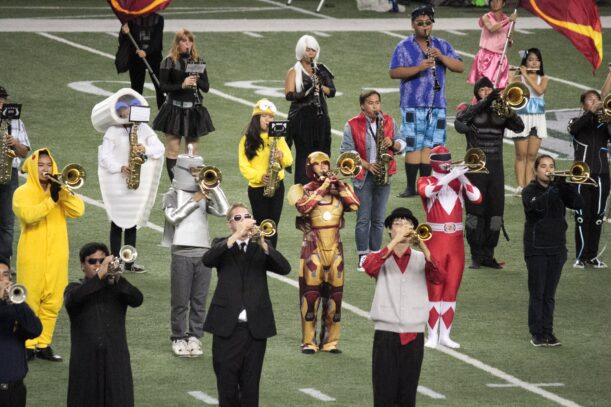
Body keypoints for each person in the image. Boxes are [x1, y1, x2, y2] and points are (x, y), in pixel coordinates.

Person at [203, 203, 291, 407]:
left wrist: (264, 244)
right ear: (230, 225)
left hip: (255, 329)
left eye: (247, 216)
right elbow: (207, 260)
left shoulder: (259, 247)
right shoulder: (222, 244)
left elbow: (285, 268)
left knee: (251, 388)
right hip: (227, 329)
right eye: (238, 218)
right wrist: (236, 237)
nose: (244, 220)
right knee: (227, 386)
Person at [363, 207, 444, 407]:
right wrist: (393, 244)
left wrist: (424, 247)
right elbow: (369, 267)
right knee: (383, 395)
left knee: (408, 396)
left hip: (414, 334)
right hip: (385, 334)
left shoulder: (421, 258)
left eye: (407, 224)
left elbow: (439, 277)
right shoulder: (381, 256)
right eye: (397, 224)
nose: (403, 228)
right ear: (390, 230)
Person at [13, 148, 85, 361]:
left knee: (53, 302)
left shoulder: (59, 190)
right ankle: (27, 345)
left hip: (57, 255)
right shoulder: (22, 193)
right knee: (30, 301)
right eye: (41, 165)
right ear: (34, 168)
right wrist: (50, 201)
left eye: (48, 165)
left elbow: (78, 210)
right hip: (31, 256)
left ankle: (44, 344)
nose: (45, 169)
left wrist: (62, 193)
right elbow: (29, 216)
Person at [287, 152, 360, 353]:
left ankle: (330, 342)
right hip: (312, 250)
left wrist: (340, 186)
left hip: (336, 250)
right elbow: (303, 208)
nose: (323, 167)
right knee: (310, 298)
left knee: (335, 298)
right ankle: (309, 342)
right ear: (309, 168)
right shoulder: (299, 189)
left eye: (325, 163)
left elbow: (354, 204)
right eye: (318, 164)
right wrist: (324, 187)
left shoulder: (341, 189)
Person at [389, 4, 464, 198]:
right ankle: (410, 187)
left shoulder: (442, 44)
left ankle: (425, 184)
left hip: (437, 103)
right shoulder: (403, 46)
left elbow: (459, 67)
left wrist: (442, 57)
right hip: (412, 102)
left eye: (428, 23)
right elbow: (394, 72)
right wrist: (418, 68)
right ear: (413, 25)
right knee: (414, 144)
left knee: (430, 144)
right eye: (420, 23)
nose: (424, 27)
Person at [162, 149, 229, 357]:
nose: (196, 175)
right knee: (181, 300)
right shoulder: (171, 195)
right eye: (193, 171)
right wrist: (195, 200)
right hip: (182, 253)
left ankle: (194, 337)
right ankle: (178, 337)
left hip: (203, 253)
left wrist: (214, 187)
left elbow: (224, 210)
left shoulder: (203, 193)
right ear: (181, 170)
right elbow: (173, 218)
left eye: (199, 171)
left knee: (199, 300)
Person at [454, 76, 524, 269]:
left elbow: (520, 127)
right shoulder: (469, 110)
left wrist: (509, 112)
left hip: (496, 168)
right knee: (475, 213)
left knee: (495, 213)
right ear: (477, 93)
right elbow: (460, 122)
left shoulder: (500, 111)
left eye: (489, 90)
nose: (486, 92)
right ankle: (476, 256)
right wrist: (484, 102)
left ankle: (488, 255)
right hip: (475, 169)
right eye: (482, 90)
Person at [416, 146, 481, 348]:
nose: (446, 162)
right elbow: (427, 191)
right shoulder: (425, 179)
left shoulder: (457, 182)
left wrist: (461, 177)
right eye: (442, 159)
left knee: (452, 289)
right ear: (434, 161)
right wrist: (449, 176)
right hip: (435, 241)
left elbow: (477, 198)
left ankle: (445, 335)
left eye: (448, 159)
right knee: (435, 290)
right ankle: (432, 335)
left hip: (456, 243)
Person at [65, 242, 143, 407]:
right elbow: (76, 299)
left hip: (116, 360)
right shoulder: (73, 288)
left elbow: (137, 299)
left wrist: (119, 280)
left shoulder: (116, 287)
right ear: (82, 266)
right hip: (85, 361)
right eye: (92, 261)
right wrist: (100, 276)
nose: (98, 265)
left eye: (102, 261)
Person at [97, 91, 165, 273]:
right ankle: (114, 261)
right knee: (117, 221)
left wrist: (146, 148)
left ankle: (129, 261)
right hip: (117, 181)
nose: (128, 115)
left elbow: (159, 148)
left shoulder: (143, 129)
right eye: (125, 111)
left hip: (136, 182)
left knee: (132, 221)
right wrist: (120, 167)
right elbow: (104, 156)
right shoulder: (113, 130)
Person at [340, 90, 405, 271]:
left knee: (378, 218)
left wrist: (392, 143)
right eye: (371, 103)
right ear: (363, 105)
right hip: (363, 176)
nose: (375, 106)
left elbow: (403, 144)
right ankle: (363, 256)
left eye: (377, 102)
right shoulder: (352, 124)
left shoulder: (389, 121)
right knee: (363, 218)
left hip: (384, 174)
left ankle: (376, 255)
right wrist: (368, 165)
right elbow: (347, 151)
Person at [522, 155, 583, 346]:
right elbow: (536, 208)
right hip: (537, 249)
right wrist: (553, 189)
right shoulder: (529, 190)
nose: (548, 170)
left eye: (551, 166)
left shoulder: (559, 188)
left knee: (549, 294)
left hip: (557, 249)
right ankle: (537, 333)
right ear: (536, 170)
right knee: (537, 293)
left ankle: (548, 332)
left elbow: (578, 203)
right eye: (544, 166)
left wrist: (566, 185)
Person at [153, 28, 214, 181]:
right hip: (174, 109)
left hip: (193, 110)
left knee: (191, 150)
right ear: (177, 43)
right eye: (184, 41)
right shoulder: (168, 61)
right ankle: (176, 184)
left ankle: (188, 182)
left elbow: (206, 87)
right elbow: (163, 87)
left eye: (190, 40)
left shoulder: (198, 61)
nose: (188, 44)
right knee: (173, 149)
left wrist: (196, 79)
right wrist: (182, 84)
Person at [238, 99, 293, 248]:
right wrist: (259, 177)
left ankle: (271, 255)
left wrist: (282, 157)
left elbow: (289, 160)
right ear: (257, 118)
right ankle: (260, 253)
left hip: (277, 186)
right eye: (264, 116)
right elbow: (244, 166)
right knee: (262, 225)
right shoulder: (246, 139)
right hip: (257, 189)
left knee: (273, 225)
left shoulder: (277, 136)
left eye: (271, 117)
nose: (269, 120)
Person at [285, 34, 336, 186]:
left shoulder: (321, 70)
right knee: (304, 155)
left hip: (320, 117)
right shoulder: (294, 71)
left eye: (313, 50)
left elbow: (332, 91)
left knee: (322, 153)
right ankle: (303, 190)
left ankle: (322, 187)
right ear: (301, 51)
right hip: (301, 118)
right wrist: (307, 91)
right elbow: (289, 94)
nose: (311, 54)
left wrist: (320, 87)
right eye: (308, 50)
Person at [567, 90, 611, 268]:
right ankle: (580, 256)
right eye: (589, 100)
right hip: (582, 176)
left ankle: (592, 256)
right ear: (583, 105)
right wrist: (592, 113)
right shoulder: (576, 122)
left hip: (602, 175)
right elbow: (574, 130)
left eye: (597, 99)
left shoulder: (606, 122)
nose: (594, 102)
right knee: (581, 217)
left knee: (598, 217)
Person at [506, 48, 549, 193]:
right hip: (521, 118)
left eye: (537, 60)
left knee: (532, 156)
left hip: (537, 119)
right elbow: (508, 93)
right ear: (525, 62)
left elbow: (539, 90)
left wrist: (526, 74)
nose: (534, 62)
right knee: (521, 155)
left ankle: (529, 187)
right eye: (530, 60)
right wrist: (511, 77)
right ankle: (520, 186)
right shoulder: (520, 78)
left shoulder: (544, 78)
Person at [0, 257, 42, 407]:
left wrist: (18, 302)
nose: (3, 280)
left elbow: (35, 330)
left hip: (14, 388)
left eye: (5, 275)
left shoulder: (16, 308)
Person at [0, 86, 31, 262]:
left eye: (3, 99)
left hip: (8, 172)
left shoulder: (16, 122)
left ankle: (4, 263)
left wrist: (15, 143)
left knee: (6, 223)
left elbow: (24, 151)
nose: (1, 103)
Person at [467, 0, 517, 90]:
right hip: (486, 56)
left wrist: (510, 41)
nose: (494, 3)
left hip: (501, 57)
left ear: (503, 3)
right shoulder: (486, 17)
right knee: (483, 88)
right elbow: (491, 28)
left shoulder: (508, 19)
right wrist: (508, 20)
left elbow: (510, 38)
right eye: (492, 1)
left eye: (498, 1)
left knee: (500, 88)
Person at [118, 13, 165, 109]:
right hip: (136, 58)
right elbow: (123, 39)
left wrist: (146, 52)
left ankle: (162, 116)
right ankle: (136, 117)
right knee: (136, 89)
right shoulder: (130, 19)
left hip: (154, 57)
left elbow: (157, 42)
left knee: (160, 87)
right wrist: (124, 32)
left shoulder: (159, 19)